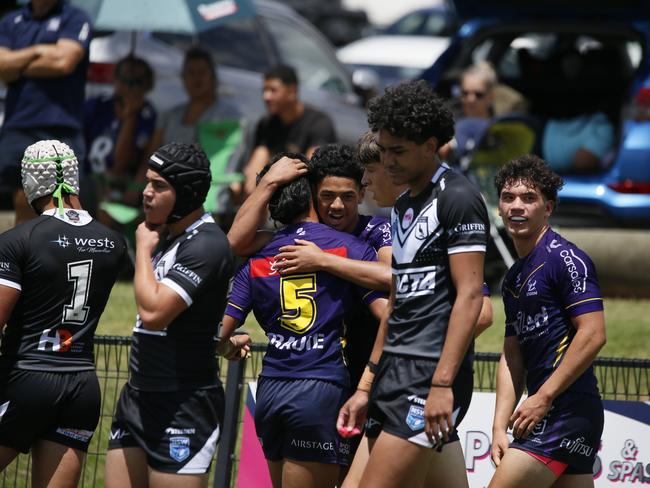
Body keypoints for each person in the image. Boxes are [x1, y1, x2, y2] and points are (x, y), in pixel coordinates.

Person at [337, 80, 489, 488]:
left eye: (398, 152)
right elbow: (399, 302)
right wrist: (366, 386)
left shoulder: (458, 197)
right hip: (392, 374)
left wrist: (441, 385)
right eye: (383, 151)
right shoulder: (403, 205)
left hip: (428, 379)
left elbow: (472, 298)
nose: (387, 162)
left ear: (431, 145)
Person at [219, 157, 387, 488]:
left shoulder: (259, 255)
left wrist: (228, 346)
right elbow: (391, 315)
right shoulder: (349, 248)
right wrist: (367, 383)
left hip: (270, 391)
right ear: (312, 195)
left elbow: (218, 334)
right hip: (320, 389)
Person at [104, 142, 236, 488]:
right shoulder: (169, 238)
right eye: (148, 182)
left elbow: (153, 313)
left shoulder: (205, 244)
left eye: (159, 185)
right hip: (136, 397)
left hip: (183, 405)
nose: (146, 193)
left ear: (187, 193)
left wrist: (143, 252)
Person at [0, 139, 127, 486]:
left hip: (25, 376)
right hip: (82, 387)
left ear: (29, 183)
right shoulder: (114, 243)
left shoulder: (18, 240)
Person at [489, 155, 606, 488]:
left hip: (562, 411)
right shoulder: (512, 278)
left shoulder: (566, 259)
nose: (517, 206)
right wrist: (499, 425)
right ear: (498, 207)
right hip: (554, 413)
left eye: (529, 198)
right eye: (508, 198)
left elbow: (594, 334)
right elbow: (512, 354)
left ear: (548, 207)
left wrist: (543, 397)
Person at [0, 0, 91, 225]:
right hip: (19, 123)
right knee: (23, 198)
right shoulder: (11, 20)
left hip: (62, 124)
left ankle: (64, 255)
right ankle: (26, 255)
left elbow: (63, 62)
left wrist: (17, 64)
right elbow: (2, 68)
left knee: (68, 199)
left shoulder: (75, 17)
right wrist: (39, 50)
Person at [240, 64, 336, 197]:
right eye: (264, 90)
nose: (266, 97)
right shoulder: (266, 124)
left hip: (307, 196)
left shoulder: (319, 123)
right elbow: (256, 163)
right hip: (274, 192)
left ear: (292, 91)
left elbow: (312, 169)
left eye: (273, 90)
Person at [84, 55, 157, 217]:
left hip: (122, 182)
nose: (130, 86)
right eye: (125, 79)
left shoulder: (148, 116)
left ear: (147, 85)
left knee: (108, 208)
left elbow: (122, 163)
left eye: (137, 81)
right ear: (115, 79)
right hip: (88, 177)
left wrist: (130, 116)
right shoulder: (96, 105)